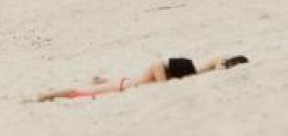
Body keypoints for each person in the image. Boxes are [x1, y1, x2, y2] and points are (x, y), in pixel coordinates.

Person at [35, 55, 249, 102]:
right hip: (121, 86)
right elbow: (157, 65)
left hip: (126, 82)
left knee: (91, 88)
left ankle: (99, 80)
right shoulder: (160, 74)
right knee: (78, 93)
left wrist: (222, 65)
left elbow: (211, 63)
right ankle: (47, 95)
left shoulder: (185, 77)